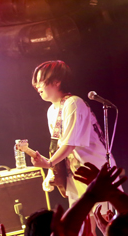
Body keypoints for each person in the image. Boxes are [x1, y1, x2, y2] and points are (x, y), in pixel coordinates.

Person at [29, 61, 116, 209]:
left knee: (103, 218)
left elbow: (70, 144)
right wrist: (51, 171)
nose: (37, 86)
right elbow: (58, 146)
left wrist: (49, 163)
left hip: (95, 170)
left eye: (40, 81)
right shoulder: (51, 111)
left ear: (57, 81)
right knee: (81, 221)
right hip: (75, 174)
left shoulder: (74, 103)